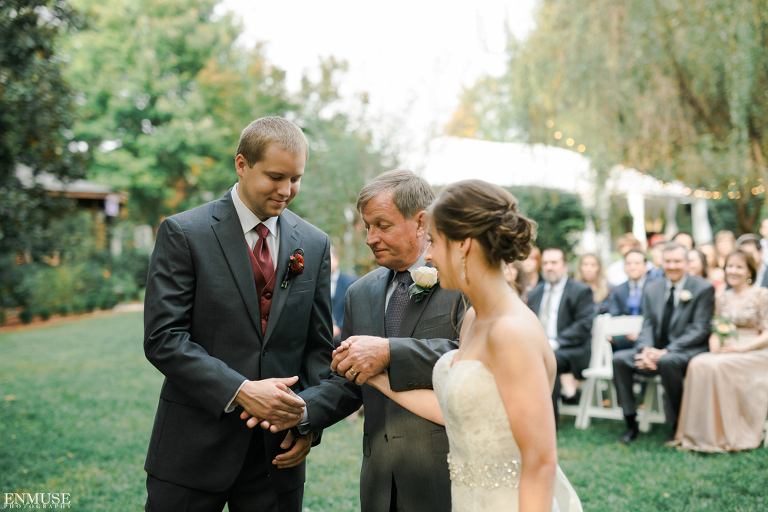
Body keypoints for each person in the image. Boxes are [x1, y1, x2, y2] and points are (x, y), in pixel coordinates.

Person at [143, 117, 334, 511]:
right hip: (192, 452)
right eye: (276, 176)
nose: (286, 191)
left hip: (276, 458)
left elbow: (318, 347)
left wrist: (307, 420)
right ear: (242, 164)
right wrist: (242, 391)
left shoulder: (314, 244)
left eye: (295, 179)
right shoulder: (184, 233)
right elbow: (164, 339)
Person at [363, 179, 581, 512]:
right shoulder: (473, 319)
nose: (430, 254)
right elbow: (457, 412)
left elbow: (540, 461)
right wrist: (375, 378)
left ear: (463, 245)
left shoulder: (512, 332)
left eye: (434, 241)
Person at [288, 169, 463, 512]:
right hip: (380, 482)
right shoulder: (360, 292)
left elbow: (471, 357)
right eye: (367, 226)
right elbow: (348, 382)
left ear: (421, 223)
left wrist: (388, 353)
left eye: (382, 225)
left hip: (446, 476)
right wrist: (301, 414)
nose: (370, 238)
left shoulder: (461, 281)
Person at [612, 242, 714, 445]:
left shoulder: (703, 288)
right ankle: (631, 423)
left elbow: (700, 329)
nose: (672, 266)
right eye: (668, 261)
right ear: (661, 263)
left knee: (668, 362)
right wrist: (645, 352)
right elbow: (647, 325)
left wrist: (665, 351)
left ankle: (677, 424)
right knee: (619, 360)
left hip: (687, 351)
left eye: (677, 261)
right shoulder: (652, 288)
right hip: (655, 351)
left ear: (686, 263)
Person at [675, 249, 768, 451]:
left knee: (718, 367)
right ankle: (698, 434)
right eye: (729, 266)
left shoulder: (762, 294)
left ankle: (725, 434)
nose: (733, 271)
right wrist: (714, 343)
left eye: (739, 267)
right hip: (728, 348)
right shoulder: (722, 297)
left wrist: (743, 348)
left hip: (756, 351)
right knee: (698, 363)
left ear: (749, 271)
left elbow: (767, 333)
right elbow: (716, 328)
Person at [528, 248, 594, 419]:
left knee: (548, 358)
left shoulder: (580, 290)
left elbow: (584, 325)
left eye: (554, 263)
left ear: (565, 266)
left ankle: (549, 421)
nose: (549, 267)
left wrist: (555, 342)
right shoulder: (535, 292)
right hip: (541, 348)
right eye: (546, 263)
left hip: (574, 349)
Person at [608, 248, 651, 351]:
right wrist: (625, 332)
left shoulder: (655, 286)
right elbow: (614, 314)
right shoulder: (618, 289)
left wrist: (639, 332)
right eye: (628, 263)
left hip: (648, 335)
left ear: (645, 266)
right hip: (625, 337)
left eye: (637, 263)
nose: (632, 267)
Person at [330, 245, 357, 340]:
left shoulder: (352, 283)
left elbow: (355, 310)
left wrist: (339, 327)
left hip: (343, 334)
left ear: (336, 260)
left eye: (329, 258)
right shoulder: (313, 284)